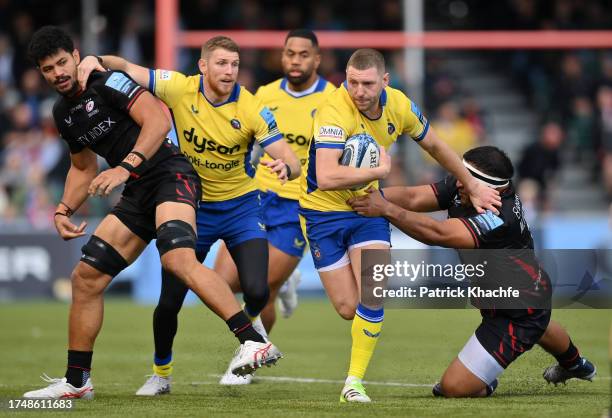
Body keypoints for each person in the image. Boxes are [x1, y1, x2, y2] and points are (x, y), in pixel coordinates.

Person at [22, 26, 280, 400]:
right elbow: (82, 169)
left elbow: (157, 121)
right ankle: (77, 382)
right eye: (49, 69)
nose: (58, 72)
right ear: (41, 73)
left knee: (178, 260)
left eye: (62, 62)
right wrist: (63, 208)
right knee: (86, 278)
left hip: (171, 174)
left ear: (76, 56)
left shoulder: (108, 81)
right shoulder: (63, 112)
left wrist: (125, 167)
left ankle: (253, 341)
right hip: (138, 189)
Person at [298, 48, 501, 403]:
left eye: (367, 84)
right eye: (353, 82)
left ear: (385, 82)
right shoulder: (333, 109)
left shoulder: (400, 106)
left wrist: (471, 184)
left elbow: (436, 146)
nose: (358, 91)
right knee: (348, 308)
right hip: (321, 213)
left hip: (367, 210)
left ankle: (353, 383)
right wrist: (378, 171)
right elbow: (327, 176)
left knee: (373, 291)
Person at [349, 145, 596, 397]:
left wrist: (386, 209)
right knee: (541, 320)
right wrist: (372, 195)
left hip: (515, 313)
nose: (457, 183)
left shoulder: (498, 216)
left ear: (489, 188)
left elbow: (438, 234)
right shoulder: (467, 186)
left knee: (451, 388)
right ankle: (575, 364)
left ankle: (482, 380)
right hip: (523, 294)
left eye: (465, 179)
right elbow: (413, 197)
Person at [212, 29, 335, 385]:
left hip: (299, 206)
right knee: (221, 283)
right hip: (255, 199)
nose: (295, 61)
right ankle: (283, 287)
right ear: (281, 57)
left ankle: (249, 358)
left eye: (303, 54)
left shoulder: (332, 101)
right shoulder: (264, 96)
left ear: (317, 59)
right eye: (289, 54)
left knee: (260, 288)